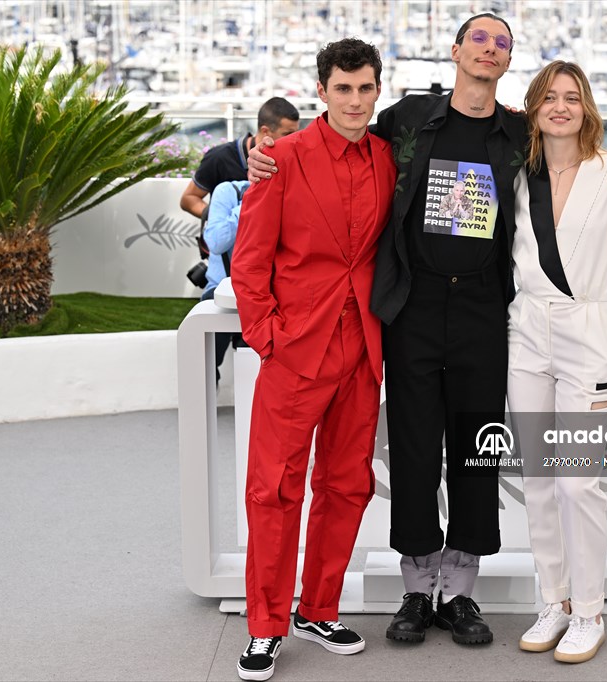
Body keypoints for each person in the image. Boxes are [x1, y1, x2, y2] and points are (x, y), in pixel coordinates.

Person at [249, 13, 607, 648]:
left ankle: (461, 592)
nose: (489, 50)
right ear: (456, 50)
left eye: (502, 43)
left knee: (475, 454)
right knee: (412, 452)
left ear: (508, 60)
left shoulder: (519, 133)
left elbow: (578, 166)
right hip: (411, 311)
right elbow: (344, 136)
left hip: (485, 316)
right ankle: (416, 589)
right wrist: (263, 154)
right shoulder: (409, 117)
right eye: (479, 39)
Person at [230, 38, 396, 682]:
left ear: (377, 91)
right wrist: (266, 334)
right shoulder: (281, 158)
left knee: (346, 483)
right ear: (322, 92)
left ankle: (318, 608)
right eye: (343, 88)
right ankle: (266, 625)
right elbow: (249, 258)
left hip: (365, 346)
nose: (355, 100)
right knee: (274, 487)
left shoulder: (387, 158)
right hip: (297, 346)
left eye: (365, 89)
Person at [507, 60, 607, 664]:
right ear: (534, 108)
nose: (560, 107)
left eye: (572, 97)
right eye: (549, 97)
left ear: (587, 107)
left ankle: (590, 611)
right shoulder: (516, 175)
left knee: (577, 480)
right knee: (538, 480)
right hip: (525, 336)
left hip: (589, 335)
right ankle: (555, 600)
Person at [181, 97, 299, 383]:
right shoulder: (221, 162)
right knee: (212, 356)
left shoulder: (289, 162)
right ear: (265, 132)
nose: (294, 141)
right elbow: (189, 199)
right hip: (226, 272)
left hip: (263, 277)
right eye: (288, 135)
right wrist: (230, 212)